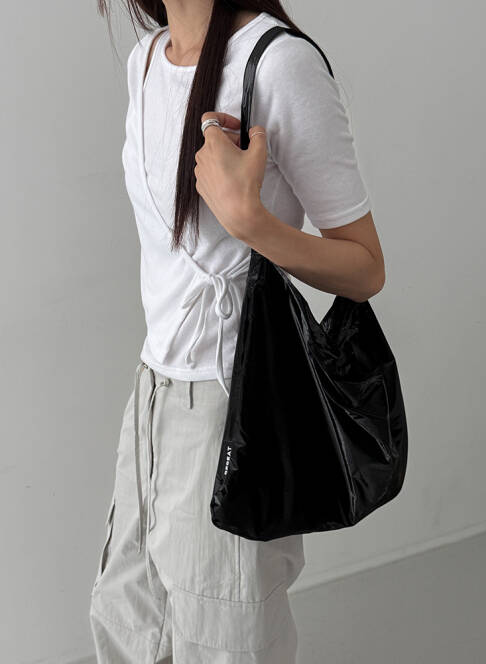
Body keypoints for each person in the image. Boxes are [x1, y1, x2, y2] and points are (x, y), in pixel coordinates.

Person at [89, 1, 385, 662]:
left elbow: (366, 268)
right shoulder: (146, 61)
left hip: (232, 405)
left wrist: (252, 223)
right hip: (153, 395)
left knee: (222, 641)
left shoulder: (278, 64)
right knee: (128, 624)